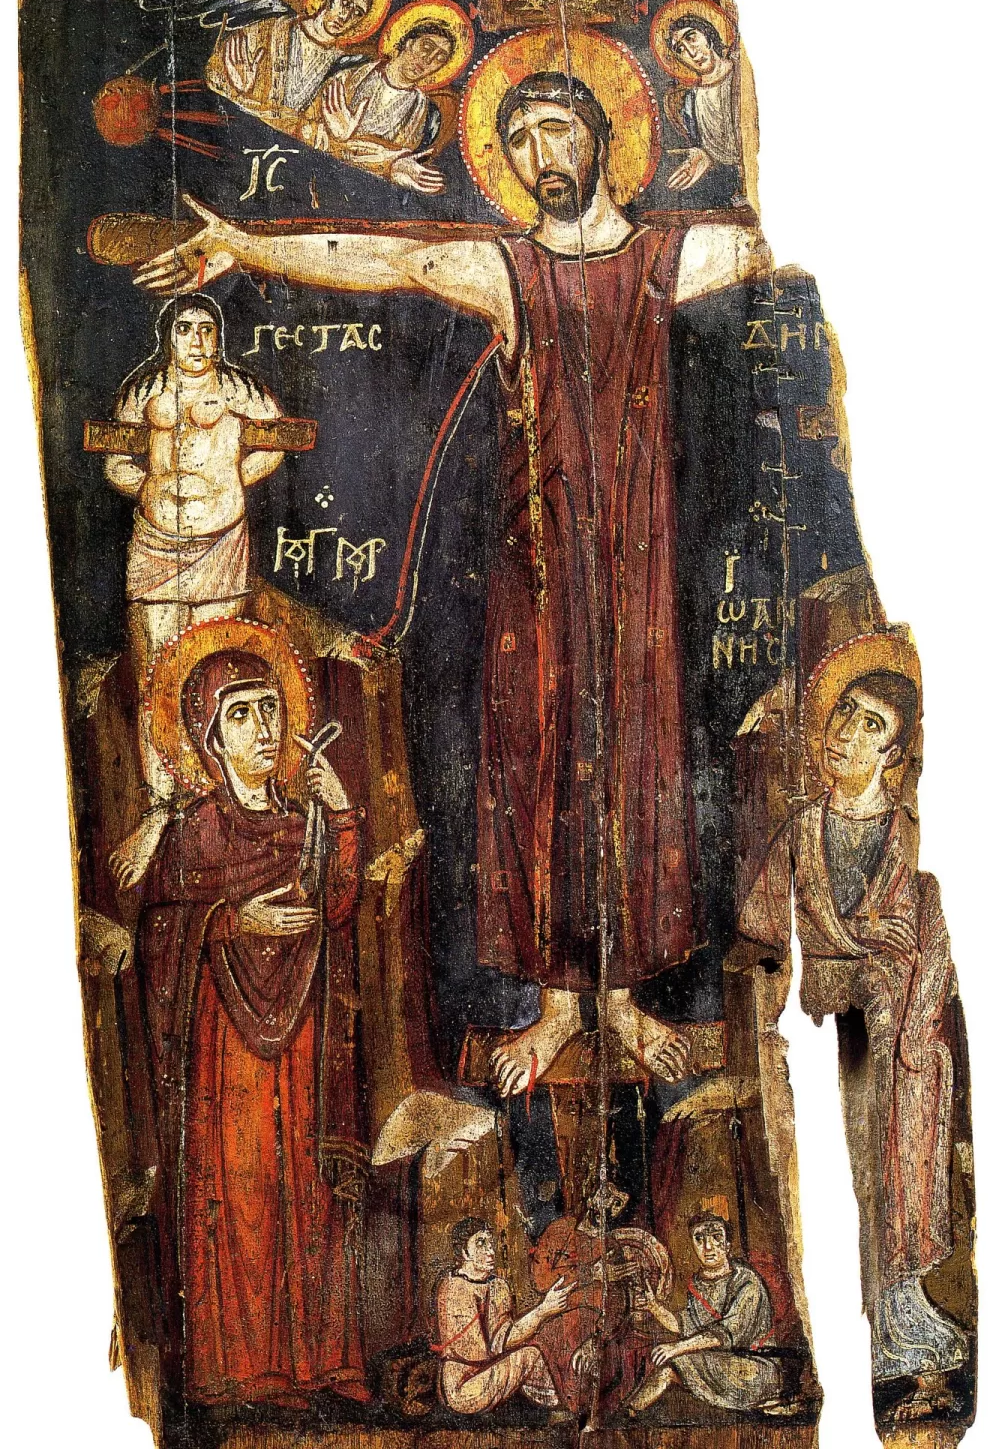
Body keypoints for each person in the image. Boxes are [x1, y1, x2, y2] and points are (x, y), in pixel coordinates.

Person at [134, 56, 772, 1100]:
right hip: (539, 568)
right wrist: (243, 245)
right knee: (538, 760)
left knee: (638, 755)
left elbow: (766, 238)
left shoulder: (671, 255)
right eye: (517, 141)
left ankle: (621, 999)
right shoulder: (506, 270)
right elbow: (387, 258)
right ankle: (557, 1008)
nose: (537, 156)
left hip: (641, 561)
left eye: (555, 130)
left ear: (603, 134)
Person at [131, 623, 369, 1408]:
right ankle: (244, 1368)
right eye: (240, 713)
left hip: (304, 1036)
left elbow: (338, 906)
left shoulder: (304, 820)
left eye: (270, 708)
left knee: (307, 1187)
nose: (263, 727)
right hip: (225, 1043)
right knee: (240, 1191)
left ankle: (319, 1364)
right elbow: (159, 929)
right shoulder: (194, 831)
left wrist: (341, 816)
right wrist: (232, 923)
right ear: (208, 736)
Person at [739, 634, 969, 1414]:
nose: (846, 733)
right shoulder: (801, 831)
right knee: (835, 1185)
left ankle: (910, 1343)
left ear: (894, 753)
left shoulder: (907, 837)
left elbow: (922, 933)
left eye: (870, 725)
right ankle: (870, 1349)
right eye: (843, 713)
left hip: (899, 1045)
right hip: (824, 1030)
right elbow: (762, 933)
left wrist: (886, 978)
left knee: (892, 1186)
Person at [104, 294, 283, 886]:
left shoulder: (240, 389)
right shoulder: (143, 390)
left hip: (222, 541)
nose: (198, 341)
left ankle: (215, 803)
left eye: (207, 329)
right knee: (156, 670)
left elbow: (277, 442)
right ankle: (161, 807)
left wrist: (229, 484)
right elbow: (114, 461)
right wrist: (155, 491)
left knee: (215, 667)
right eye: (186, 329)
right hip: (156, 543)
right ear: (169, 335)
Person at [530, 1180, 673, 1414]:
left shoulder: (612, 1247)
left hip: (598, 1326)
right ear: (590, 1197)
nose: (609, 1205)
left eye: (617, 1202)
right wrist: (591, 1273)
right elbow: (540, 1281)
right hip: (559, 1317)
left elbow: (618, 1303)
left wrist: (597, 1338)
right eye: (605, 1195)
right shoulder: (561, 1230)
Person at [625, 1207, 782, 1416]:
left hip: (754, 1369)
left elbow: (723, 1334)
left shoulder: (747, 1282)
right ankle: (630, 1412)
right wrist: (653, 1306)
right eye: (699, 1239)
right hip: (719, 1363)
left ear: (727, 1244)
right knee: (667, 1368)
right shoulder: (698, 1285)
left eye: (716, 1237)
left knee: (675, 1364)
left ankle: (630, 1412)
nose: (708, 1247)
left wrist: (677, 1347)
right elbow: (683, 1324)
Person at [205, 0, 381, 137]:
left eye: (357, 13)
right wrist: (239, 89)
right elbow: (214, 77)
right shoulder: (270, 30)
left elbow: (321, 130)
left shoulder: (342, 69)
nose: (346, 16)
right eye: (345, 3)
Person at [308, 17, 460, 193]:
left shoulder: (428, 117)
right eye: (426, 47)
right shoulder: (349, 71)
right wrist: (334, 134)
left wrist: (396, 171)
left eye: (439, 58)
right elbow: (302, 126)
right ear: (409, 43)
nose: (428, 59)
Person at [435, 1218, 570, 1415]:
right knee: (528, 1356)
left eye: (490, 1243)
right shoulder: (453, 1288)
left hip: (491, 1372)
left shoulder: (499, 1286)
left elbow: (502, 1338)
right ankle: (554, 1414)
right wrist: (542, 1311)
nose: (490, 1251)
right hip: (464, 1386)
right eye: (480, 1244)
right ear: (464, 1252)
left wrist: (543, 1312)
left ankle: (553, 1412)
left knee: (535, 1353)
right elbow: (478, 1353)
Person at [661, 14, 739, 193]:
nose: (692, 53)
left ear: (707, 34)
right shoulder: (690, 102)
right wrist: (705, 156)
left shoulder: (743, 74)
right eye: (680, 49)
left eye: (691, 38)